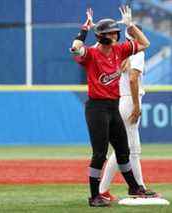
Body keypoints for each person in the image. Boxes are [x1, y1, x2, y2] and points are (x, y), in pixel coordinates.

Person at [71, 6, 153, 207]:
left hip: (113, 107)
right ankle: (94, 196)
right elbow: (75, 48)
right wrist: (85, 28)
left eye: (115, 32)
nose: (115, 35)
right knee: (99, 153)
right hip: (96, 108)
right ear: (101, 36)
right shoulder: (90, 54)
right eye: (111, 33)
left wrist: (130, 26)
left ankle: (134, 187)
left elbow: (145, 43)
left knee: (123, 150)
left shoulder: (119, 49)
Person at [99, 25, 158, 201]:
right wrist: (136, 106)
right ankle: (139, 189)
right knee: (132, 150)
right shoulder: (137, 53)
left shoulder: (120, 52)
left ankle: (103, 190)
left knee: (122, 150)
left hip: (121, 100)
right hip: (129, 101)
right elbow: (133, 79)